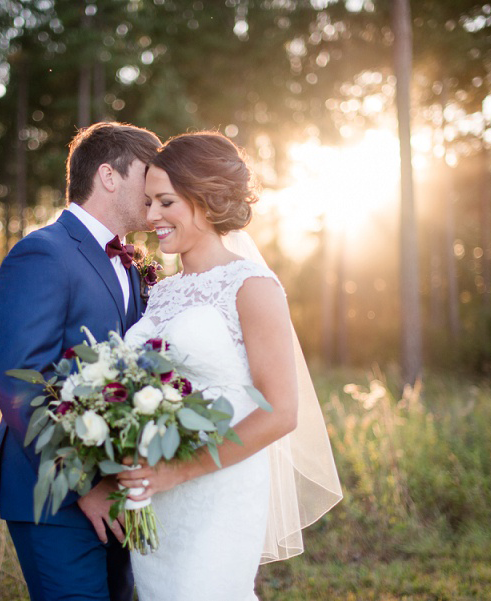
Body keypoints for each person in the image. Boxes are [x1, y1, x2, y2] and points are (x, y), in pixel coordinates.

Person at [118, 132, 341, 600]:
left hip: (217, 489)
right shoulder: (163, 289)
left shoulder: (253, 285)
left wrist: (178, 472)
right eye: (147, 202)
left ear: (205, 200)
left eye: (165, 202)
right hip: (155, 492)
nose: (150, 215)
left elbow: (281, 412)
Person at [0, 122, 161, 601]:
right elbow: (19, 383)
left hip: (121, 489)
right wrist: (86, 486)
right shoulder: (43, 253)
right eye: (149, 174)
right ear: (109, 175)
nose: (160, 188)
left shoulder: (133, 265)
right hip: (55, 494)